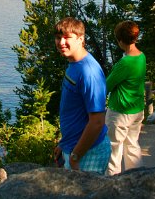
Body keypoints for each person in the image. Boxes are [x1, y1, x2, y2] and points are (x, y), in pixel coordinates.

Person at [53, 17, 110, 173]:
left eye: (67, 38)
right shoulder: (74, 64)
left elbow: (97, 122)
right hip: (73, 147)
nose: (61, 42)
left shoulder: (89, 72)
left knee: (85, 196)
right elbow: (75, 111)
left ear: (80, 39)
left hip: (88, 152)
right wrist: (63, 144)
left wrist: (75, 156)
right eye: (58, 38)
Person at [105, 20, 146, 175]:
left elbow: (107, 86)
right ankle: (137, 178)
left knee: (113, 150)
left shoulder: (125, 63)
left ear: (121, 41)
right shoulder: (141, 56)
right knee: (132, 145)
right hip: (137, 110)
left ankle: (112, 183)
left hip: (120, 112)